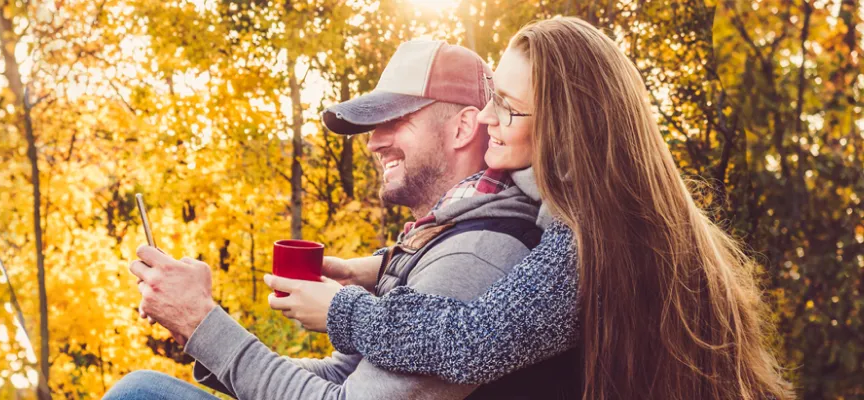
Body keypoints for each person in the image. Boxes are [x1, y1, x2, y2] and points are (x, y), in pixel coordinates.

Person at [265, 17, 794, 400]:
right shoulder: (626, 213)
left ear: (568, 130)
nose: (490, 117)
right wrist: (377, 266)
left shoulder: (590, 240)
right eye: (495, 95)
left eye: (510, 108)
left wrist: (339, 310)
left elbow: (473, 341)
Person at [106, 39, 572, 400]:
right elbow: (342, 374)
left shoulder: (477, 250)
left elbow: (454, 346)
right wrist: (208, 338)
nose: (373, 142)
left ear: (464, 127)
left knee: (139, 393)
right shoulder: (439, 234)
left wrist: (202, 322)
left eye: (395, 120)